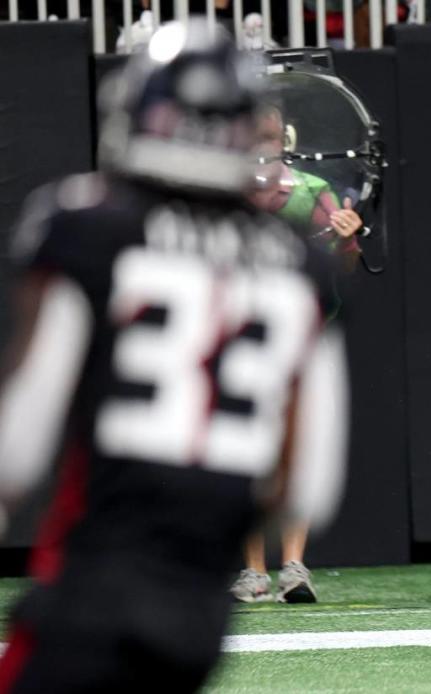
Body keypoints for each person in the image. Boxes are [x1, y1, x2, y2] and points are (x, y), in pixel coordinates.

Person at [0, 20, 348, 691]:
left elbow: (16, 447)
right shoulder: (297, 263)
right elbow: (309, 485)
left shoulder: (87, 223)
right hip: (197, 613)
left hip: (90, 585)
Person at [231, 104, 364, 604]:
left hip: (301, 339)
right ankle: (252, 571)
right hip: (242, 339)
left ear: (284, 138)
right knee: (247, 454)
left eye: (271, 132)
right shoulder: (229, 194)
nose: (264, 140)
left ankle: (293, 565)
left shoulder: (311, 192)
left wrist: (347, 240)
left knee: (294, 452)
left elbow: (341, 265)